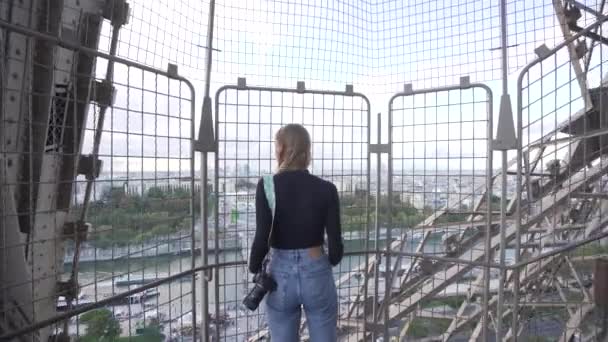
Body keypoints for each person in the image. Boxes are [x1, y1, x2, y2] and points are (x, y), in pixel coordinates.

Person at [249, 124, 343, 342]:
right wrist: (330, 259)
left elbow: (261, 238)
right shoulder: (327, 188)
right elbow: (336, 247)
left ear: (280, 148)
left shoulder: (267, 185)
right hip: (316, 269)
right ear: (308, 150)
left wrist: (255, 268)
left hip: (279, 274)